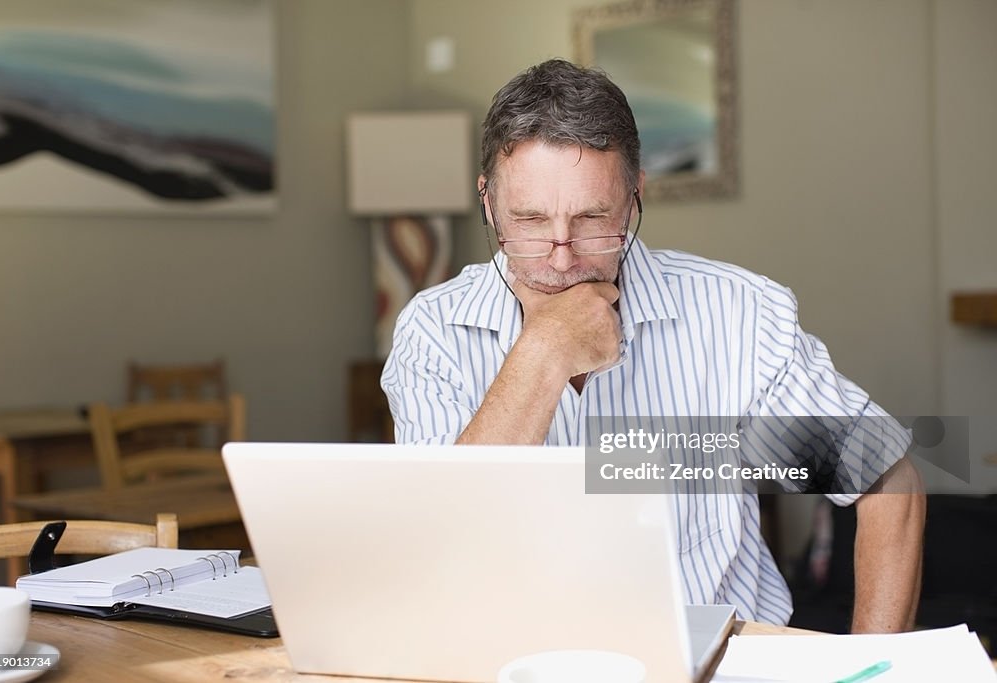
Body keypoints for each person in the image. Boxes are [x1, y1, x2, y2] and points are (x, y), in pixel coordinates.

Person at [381, 59, 925, 631]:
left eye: (593, 219)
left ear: (635, 196)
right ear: (489, 202)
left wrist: (872, 668)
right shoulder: (432, 333)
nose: (562, 259)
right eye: (531, 220)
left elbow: (889, 481)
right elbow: (441, 550)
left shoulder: (738, 317)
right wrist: (542, 354)